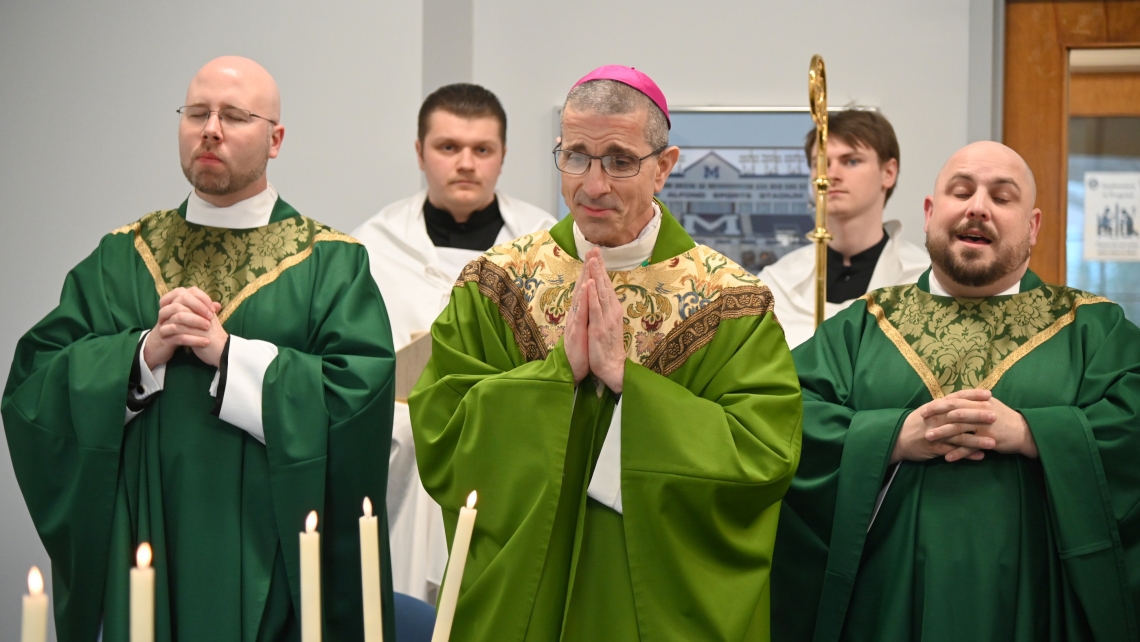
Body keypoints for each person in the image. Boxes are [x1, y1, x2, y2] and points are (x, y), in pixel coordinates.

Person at [2, 56, 396, 641]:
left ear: (275, 138)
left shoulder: (330, 263)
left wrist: (231, 356)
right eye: (197, 113)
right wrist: (139, 354)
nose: (210, 129)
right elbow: (36, 385)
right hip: (144, 544)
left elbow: (358, 399)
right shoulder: (122, 256)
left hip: (274, 559)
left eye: (234, 116)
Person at [410, 65, 802, 641]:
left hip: (654, 604)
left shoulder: (730, 303)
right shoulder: (495, 284)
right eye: (575, 157)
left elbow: (764, 452)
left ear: (664, 168)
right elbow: (443, 429)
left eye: (619, 160)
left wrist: (629, 384)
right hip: (524, 594)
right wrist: (555, 376)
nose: (593, 185)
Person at [771, 141, 1140, 641]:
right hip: (885, 607)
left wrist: (1035, 433)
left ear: (1032, 226)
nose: (978, 207)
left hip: (1040, 606)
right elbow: (785, 418)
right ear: (928, 213)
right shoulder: (864, 325)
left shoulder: (1093, 328)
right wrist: (893, 437)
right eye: (961, 191)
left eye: (1002, 197)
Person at [352, 83, 555, 602]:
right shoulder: (369, 248)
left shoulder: (547, 244)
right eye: (448, 148)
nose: (466, 163)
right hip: (404, 464)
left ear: (503, 157)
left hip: (508, 456)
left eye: (482, 149)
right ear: (420, 152)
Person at [759, 110, 928, 348]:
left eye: (851, 161)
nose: (831, 175)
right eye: (822, 163)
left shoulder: (923, 281)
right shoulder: (776, 284)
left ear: (888, 173)